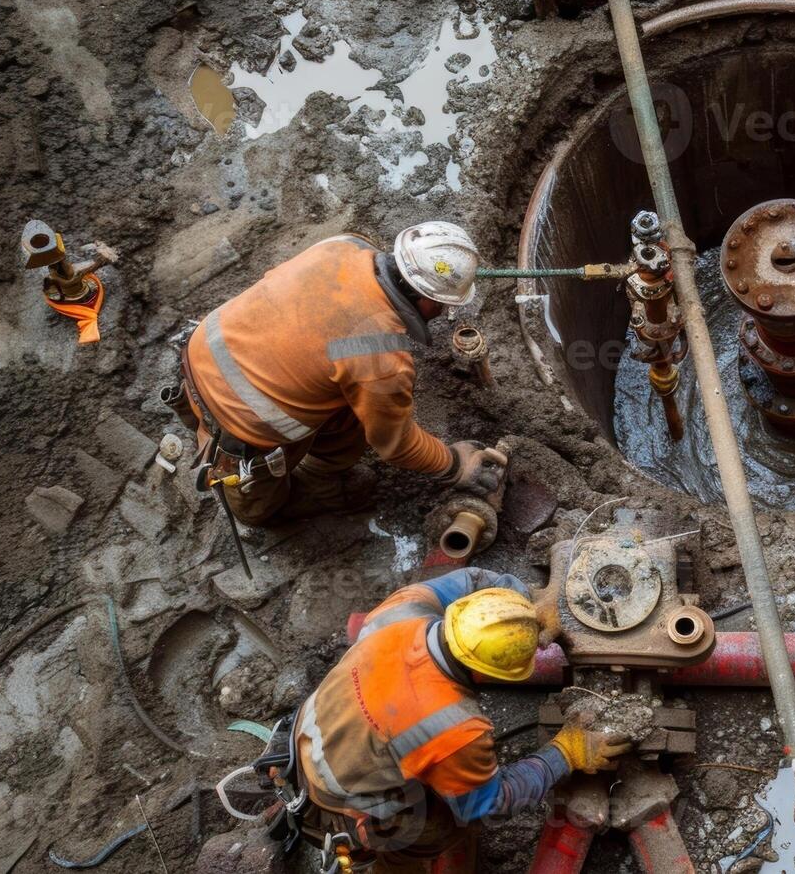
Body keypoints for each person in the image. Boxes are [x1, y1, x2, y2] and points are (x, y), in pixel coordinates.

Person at [296, 568, 639, 873]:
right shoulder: (453, 728)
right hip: (341, 806)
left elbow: (470, 579)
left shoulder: (402, 611)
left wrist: (525, 602)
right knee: (446, 826)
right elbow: (490, 804)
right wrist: (565, 753)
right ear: (487, 673)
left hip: (308, 743)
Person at [178, 223, 507, 525]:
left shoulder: (345, 246)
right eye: (442, 304)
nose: (445, 312)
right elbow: (395, 445)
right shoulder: (380, 355)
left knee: (354, 404)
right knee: (257, 512)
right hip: (238, 425)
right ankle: (290, 491)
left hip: (204, 350)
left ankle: (314, 466)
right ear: (424, 298)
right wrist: (454, 465)